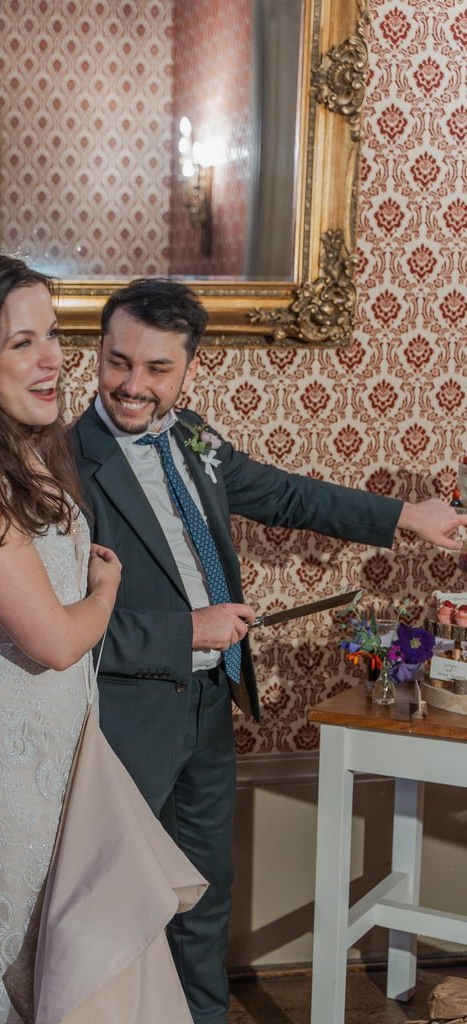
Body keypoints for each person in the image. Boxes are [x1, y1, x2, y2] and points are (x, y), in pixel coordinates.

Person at [71, 277, 464, 1024]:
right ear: (99, 352)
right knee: (118, 905)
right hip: (123, 721)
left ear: (191, 371)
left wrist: (407, 515)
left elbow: (287, 495)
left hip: (211, 706)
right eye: (118, 362)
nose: (131, 385)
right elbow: (59, 625)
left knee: (205, 895)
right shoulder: (61, 465)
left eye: (157, 370)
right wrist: (191, 629)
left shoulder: (195, 438)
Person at [0, 254, 206, 1024]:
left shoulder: (22, 449)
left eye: (54, 335)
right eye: (23, 342)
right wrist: (106, 590)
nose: (54, 357)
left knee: (42, 942)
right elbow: (56, 639)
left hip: (56, 733)